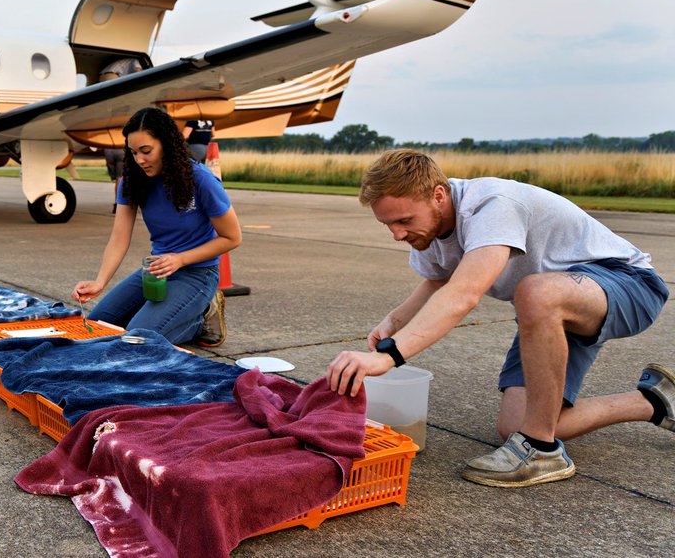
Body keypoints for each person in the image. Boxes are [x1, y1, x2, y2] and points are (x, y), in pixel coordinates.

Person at [326, 149, 672, 488]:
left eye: (404, 221)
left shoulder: (492, 204)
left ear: (438, 195)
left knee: (534, 292)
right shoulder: (428, 234)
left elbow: (464, 294)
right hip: (552, 311)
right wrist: (394, 322)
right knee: (517, 425)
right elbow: (438, 281)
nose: (398, 235)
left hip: (629, 284)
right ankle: (656, 400)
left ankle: (541, 453)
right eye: (388, 224)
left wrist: (388, 356)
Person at [72, 107, 241, 347]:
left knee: (134, 341)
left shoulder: (201, 179)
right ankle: (166, 317)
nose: (139, 160)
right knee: (94, 330)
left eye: (146, 151)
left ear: (166, 145)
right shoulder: (132, 181)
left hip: (197, 273)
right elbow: (119, 237)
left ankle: (198, 320)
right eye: (133, 152)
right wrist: (100, 281)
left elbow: (232, 237)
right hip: (157, 271)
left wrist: (180, 259)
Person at [98, 59, 142, 213]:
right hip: (120, 150)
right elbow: (138, 72)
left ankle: (117, 203)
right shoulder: (127, 119)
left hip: (108, 150)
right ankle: (120, 205)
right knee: (122, 179)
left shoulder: (109, 117)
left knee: (116, 179)